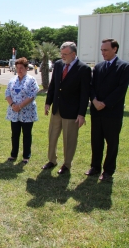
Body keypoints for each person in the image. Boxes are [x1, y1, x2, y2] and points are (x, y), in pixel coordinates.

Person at [42, 42, 92, 174]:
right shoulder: (58, 65)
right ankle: (52, 160)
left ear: (73, 54)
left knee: (69, 140)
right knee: (52, 136)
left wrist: (81, 114)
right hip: (57, 109)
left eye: (65, 54)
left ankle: (66, 164)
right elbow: (53, 85)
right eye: (61, 54)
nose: (62, 56)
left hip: (72, 112)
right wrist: (48, 102)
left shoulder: (84, 69)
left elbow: (84, 94)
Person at [86, 39, 129, 181]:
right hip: (96, 111)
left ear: (115, 49)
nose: (103, 53)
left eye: (105, 50)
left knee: (112, 143)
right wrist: (94, 100)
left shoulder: (124, 67)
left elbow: (121, 90)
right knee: (96, 140)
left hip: (112, 112)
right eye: (101, 50)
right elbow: (91, 86)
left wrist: (105, 103)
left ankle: (108, 171)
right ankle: (95, 166)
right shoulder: (98, 67)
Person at [5, 57, 39, 165]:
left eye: (21, 68)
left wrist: (20, 106)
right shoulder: (12, 80)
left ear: (26, 68)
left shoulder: (31, 80)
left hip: (27, 113)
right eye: (17, 67)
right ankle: (13, 154)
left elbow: (32, 95)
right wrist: (12, 105)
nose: (19, 70)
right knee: (15, 134)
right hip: (14, 112)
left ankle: (26, 156)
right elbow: (7, 94)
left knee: (26, 134)